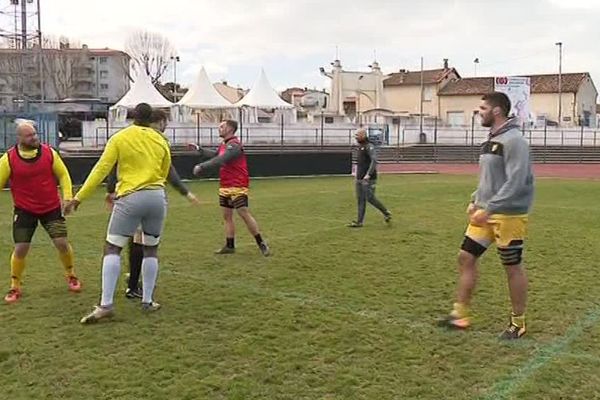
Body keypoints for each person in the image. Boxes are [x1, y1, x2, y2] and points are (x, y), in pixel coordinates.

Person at [438, 92, 534, 340]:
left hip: (508, 216)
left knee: (511, 267)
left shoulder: (515, 141)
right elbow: (489, 180)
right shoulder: (491, 140)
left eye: (482, 108)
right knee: (466, 257)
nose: (478, 112)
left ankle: (518, 323)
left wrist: (489, 209)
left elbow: (516, 182)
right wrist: (475, 200)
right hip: (485, 212)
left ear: (497, 111)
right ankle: (460, 315)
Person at [64, 103, 171, 323]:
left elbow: (101, 169)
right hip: (157, 197)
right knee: (151, 249)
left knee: (112, 247)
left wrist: (78, 198)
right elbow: (165, 169)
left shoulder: (120, 138)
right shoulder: (161, 140)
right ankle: (148, 301)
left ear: (132, 117)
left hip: (131, 196)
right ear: (151, 119)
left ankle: (106, 305)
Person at [105, 109, 199, 299]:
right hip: (145, 195)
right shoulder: (157, 141)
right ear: (159, 121)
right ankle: (133, 288)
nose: (166, 126)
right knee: (142, 243)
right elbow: (169, 172)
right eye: (165, 122)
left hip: (128, 195)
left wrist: (110, 189)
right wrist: (186, 193)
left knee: (132, 241)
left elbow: (113, 164)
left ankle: (132, 282)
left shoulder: (129, 137)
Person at [1, 121, 81, 303]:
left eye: (35, 134)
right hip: (24, 211)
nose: (35, 137)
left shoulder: (49, 153)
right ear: (20, 138)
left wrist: (67, 197)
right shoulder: (8, 159)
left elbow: (63, 174)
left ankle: (71, 275)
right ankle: (15, 286)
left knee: (61, 243)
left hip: (50, 208)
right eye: (30, 135)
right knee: (21, 248)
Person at [190, 120, 270, 256]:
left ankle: (261, 243)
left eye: (222, 126)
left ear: (230, 129)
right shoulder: (224, 145)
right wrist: (200, 150)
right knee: (227, 216)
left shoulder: (235, 145)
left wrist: (202, 166)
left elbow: (221, 159)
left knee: (243, 213)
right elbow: (216, 156)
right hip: (225, 184)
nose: (219, 128)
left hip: (238, 184)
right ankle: (230, 245)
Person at [347, 128, 392, 228]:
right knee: (360, 199)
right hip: (359, 178)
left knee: (370, 198)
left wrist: (368, 174)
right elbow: (360, 163)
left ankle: (386, 212)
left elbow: (374, 160)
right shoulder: (360, 147)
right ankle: (359, 222)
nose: (356, 137)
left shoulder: (369, 146)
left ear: (363, 135)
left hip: (368, 179)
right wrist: (356, 173)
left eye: (357, 135)